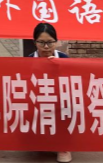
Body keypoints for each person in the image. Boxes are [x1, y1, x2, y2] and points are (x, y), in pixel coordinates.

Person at [28, 23, 71, 163]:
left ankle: (63, 147)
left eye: (50, 42)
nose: (46, 47)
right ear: (35, 42)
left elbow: (72, 83)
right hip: (37, 100)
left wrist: (58, 67)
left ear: (56, 42)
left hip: (59, 100)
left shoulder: (64, 58)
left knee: (67, 106)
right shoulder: (28, 60)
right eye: (41, 42)